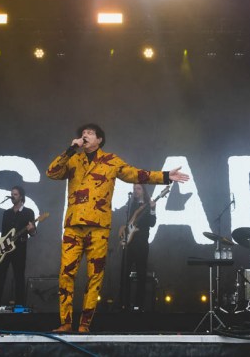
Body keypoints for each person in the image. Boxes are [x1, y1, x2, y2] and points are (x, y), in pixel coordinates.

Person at [46, 123, 189, 333]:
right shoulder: (73, 159)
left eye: (90, 133)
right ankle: (65, 322)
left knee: (95, 276)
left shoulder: (111, 160)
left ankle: (84, 324)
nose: (85, 136)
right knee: (66, 274)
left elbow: (135, 174)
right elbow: (51, 173)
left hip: (98, 228)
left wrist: (165, 176)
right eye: (83, 133)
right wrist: (70, 149)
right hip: (73, 226)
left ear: (99, 140)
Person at [0, 185, 36, 306]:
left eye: (15, 194)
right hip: (4, 248)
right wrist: (0, 247)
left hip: (19, 248)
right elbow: (3, 234)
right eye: (11, 194)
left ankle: (20, 305)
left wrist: (31, 230)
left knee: (19, 277)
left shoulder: (28, 212)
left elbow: (33, 233)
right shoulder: (7, 213)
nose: (12, 196)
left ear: (21, 196)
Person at [119, 183, 157, 312]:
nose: (135, 190)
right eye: (134, 188)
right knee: (125, 274)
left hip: (141, 244)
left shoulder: (148, 205)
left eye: (138, 188)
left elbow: (152, 223)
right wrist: (123, 228)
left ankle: (139, 305)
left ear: (143, 191)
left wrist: (153, 209)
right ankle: (124, 304)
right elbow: (129, 222)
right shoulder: (132, 205)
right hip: (130, 244)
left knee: (141, 274)